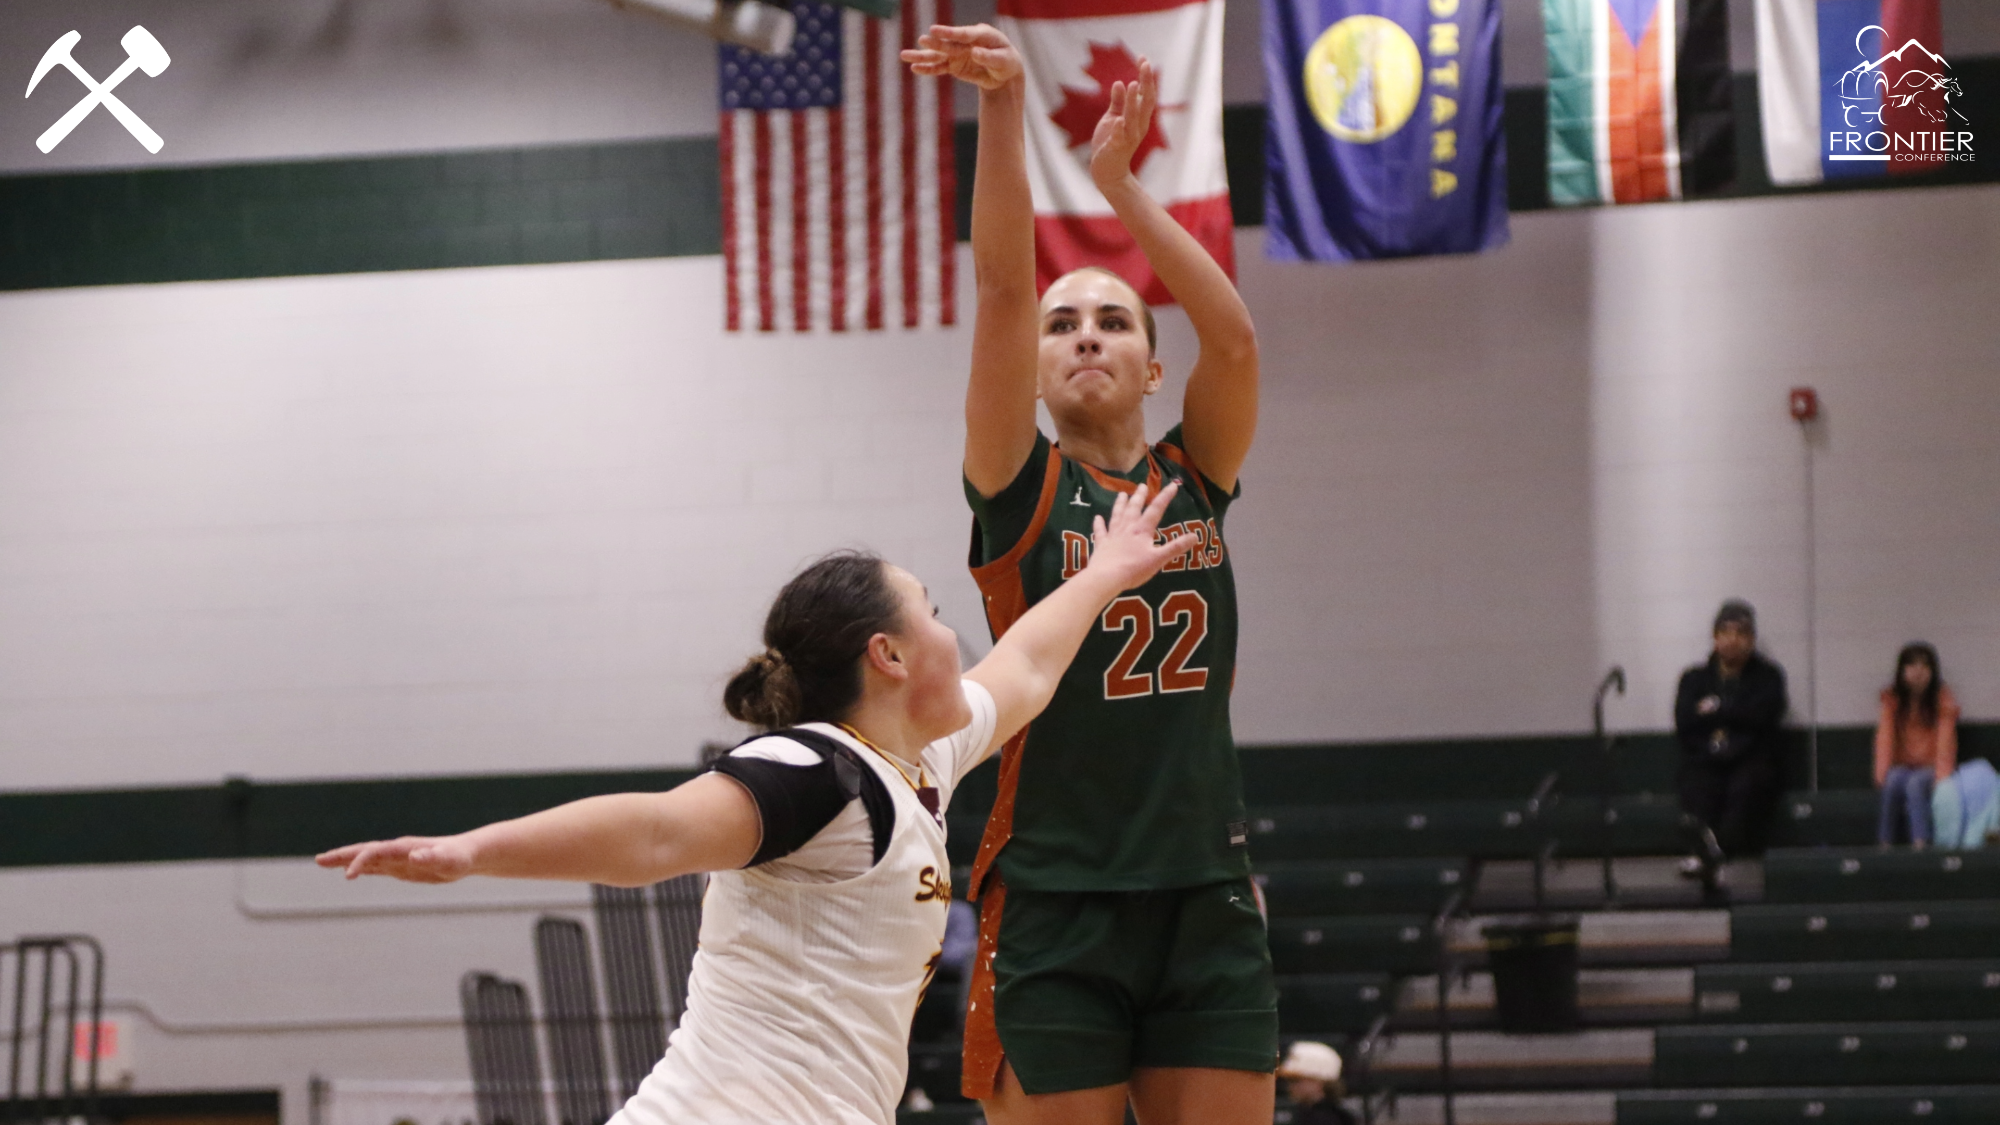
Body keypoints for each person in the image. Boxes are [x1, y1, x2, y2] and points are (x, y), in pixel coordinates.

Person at [317, 485, 1198, 1125]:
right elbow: (658, 831)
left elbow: (1029, 668)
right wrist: (473, 850)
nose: (949, 628)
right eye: (931, 610)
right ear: (888, 654)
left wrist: (1111, 571)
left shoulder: (919, 760)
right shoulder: (815, 766)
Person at [904, 24, 1272, 1125]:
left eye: (1113, 321)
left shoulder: (1193, 473)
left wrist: (1120, 188)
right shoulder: (1019, 486)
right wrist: (1008, 104)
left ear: (1151, 366)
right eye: (1064, 325)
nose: (1082, 336)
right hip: (1058, 899)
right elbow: (1004, 291)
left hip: (1203, 892)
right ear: (1036, 370)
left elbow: (1239, 343)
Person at [1673, 599, 1789, 881]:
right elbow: (1686, 721)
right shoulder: (1694, 678)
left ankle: (1718, 852)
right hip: (1706, 756)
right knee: (1696, 782)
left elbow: (1764, 717)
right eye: (1725, 632)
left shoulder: (1768, 676)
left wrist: (1719, 710)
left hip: (1751, 758)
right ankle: (1703, 851)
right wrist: (1732, 719)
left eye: (1740, 633)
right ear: (1715, 637)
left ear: (1751, 639)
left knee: (1747, 784)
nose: (1732, 640)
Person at [1874, 642, 1960, 848]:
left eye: (1924, 666)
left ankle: (1920, 843)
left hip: (1931, 768)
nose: (1918, 672)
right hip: (1904, 766)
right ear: (1902, 671)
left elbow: (1946, 741)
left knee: (1915, 784)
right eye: (1912, 666)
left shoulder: (1943, 700)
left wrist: (1942, 776)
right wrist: (1881, 772)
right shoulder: (1892, 699)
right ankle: (1884, 842)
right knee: (1893, 779)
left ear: (1933, 671)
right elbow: (1885, 737)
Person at [1275, 1041, 1358, 1125]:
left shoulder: (1330, 1119)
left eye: (1296, 1081)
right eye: (1289, 1081)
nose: (1290, 1086)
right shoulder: (1304, 1113)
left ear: (1319, 1081)